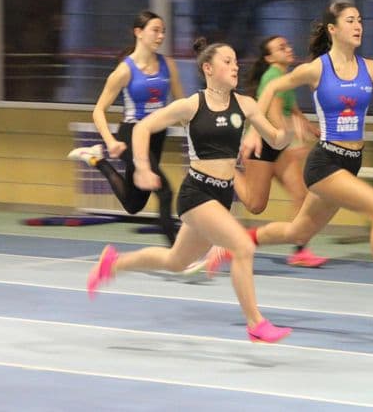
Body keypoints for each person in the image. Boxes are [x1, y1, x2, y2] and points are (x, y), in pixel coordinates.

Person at [209, 2, 373, 315]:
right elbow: (273, 85)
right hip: (326, 162)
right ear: (333, 29)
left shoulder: (369, 68)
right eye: (350, 20)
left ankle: (237, 241)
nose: (358, 26)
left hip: (351, 162)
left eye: (360, 20)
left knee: (298, 233)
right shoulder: (318, 68)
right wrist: (253, 129)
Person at [86, 37, 294, 343]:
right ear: (208, 68)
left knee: (176, 262)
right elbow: (143, 128)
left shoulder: (246, 105)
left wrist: (287, 131)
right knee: (243, 247)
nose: (235, 66)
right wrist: (142, 167)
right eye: (227, 61)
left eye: (237, 61)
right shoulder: (191, 105)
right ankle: (256, 323)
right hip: (197, 193)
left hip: (222, 195)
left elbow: (275, 141)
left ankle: (113, 264)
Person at [67, 10, 183, 246]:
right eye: (155, 30)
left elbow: (182, 104)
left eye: (163, 31)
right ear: (138, 33)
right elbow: (98, 110)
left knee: (133, 204)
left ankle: (96, 160)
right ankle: (178, 251)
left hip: (157, 134)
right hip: (132, 134)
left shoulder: (168, 65)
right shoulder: (124, 71)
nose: (161, 36)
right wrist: (111, 141)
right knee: (165, 191)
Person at [234, 35, 327, 267]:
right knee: (255, 206)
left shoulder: (285, 78)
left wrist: (310, 127)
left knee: (301, 195)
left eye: (288, 45)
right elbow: (273, 114)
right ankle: (227, 169)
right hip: (261, 146)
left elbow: (292, 110)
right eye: (281, 47)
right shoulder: (272, 77)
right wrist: (292, 137)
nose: (288, 49)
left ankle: (300, 250)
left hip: (279, 147)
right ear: (269, 57)